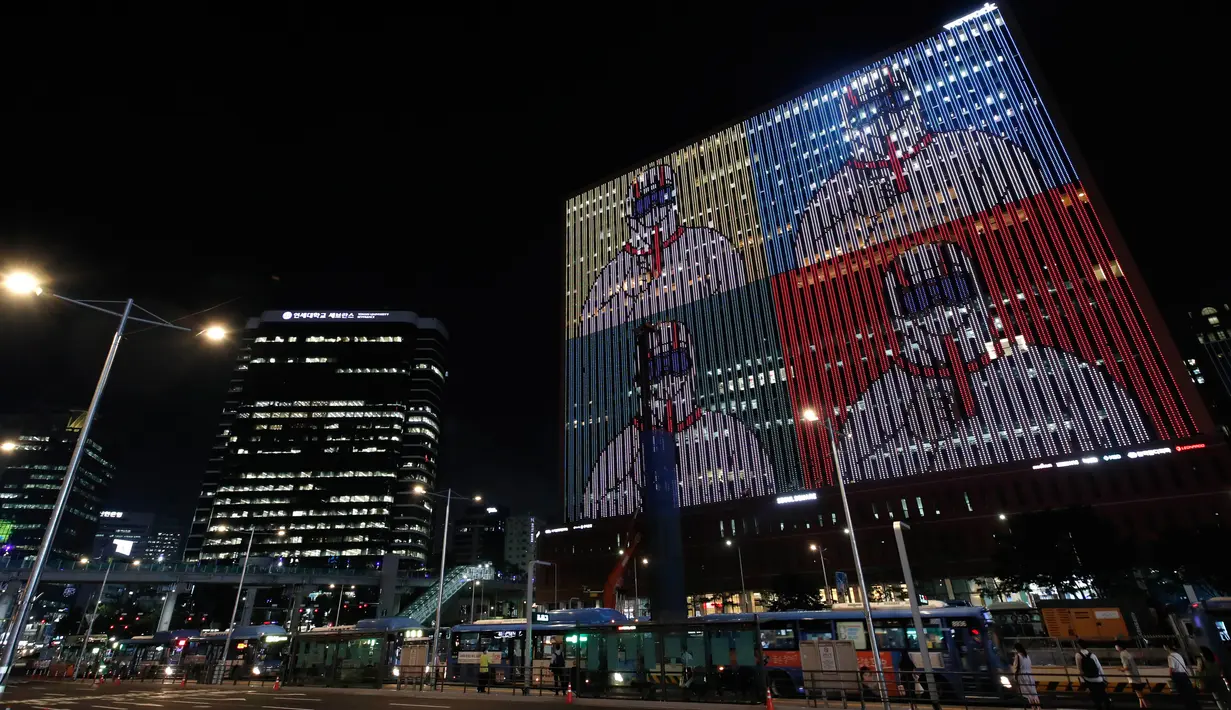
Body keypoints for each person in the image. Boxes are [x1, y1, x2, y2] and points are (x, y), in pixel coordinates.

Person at [837, 240, 1148, 483]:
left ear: (975, 290)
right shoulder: (881, 395)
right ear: (897, 312)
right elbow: (850, 470)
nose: (939, 307)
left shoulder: (1044, 362)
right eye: (917, 299)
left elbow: (1127, 432)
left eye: (952, 289)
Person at [584, 321, 777, 517]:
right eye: (655, 367)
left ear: (692, 365)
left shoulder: (732, 430)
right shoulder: (623, 446)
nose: (667, 376)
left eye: (676, 362)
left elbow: (767, 488)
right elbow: (592, 504)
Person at [578, 164, 748, 336]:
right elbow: (587, 324)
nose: (654, 207)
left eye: (661, 197)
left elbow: (739, 296)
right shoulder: (618, 266)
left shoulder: (708, 240)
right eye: (644, 203)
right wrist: (630, 299)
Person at [1075, 639, 1112, 710]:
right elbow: (1099, 667)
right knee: (1102, 693)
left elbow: (1080, 670)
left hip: (1088, 679)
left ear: (1078, 646)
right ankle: (1107, 702)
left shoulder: (1078, 655)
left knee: (1093, 694)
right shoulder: (1093, 655)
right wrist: (1104, 679)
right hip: (1098, 679)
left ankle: (1099, 705)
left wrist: (1083, 681)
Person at [1164, 642, 1200, 710]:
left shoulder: (1170, 656)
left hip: (1177, 675)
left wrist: (1170, 675)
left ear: (1168, 648)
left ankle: (1188, 706)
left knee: (1182, 693)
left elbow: (1171, 668)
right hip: (1184, 674)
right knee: (1188, 693)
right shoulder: (1178, 655)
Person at [1115, 642, 1148, 709]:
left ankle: (1146, 705)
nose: (1116, 648)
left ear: (1120, 647)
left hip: (1131, 676)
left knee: (1138, 692)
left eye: (1116, 646)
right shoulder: (1127, 652)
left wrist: (1120, 669)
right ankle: (1142, 705)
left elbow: (1127, 667)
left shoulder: (1122, 654)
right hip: (1135, 674)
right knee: (1139, 691)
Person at [1012, 643, 1039, 709]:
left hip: (1022, 676)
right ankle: (1038, 707)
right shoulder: (1027, 656)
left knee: (1028, 693)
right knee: (1033, 692)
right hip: (1030, 675)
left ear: (1016, 649)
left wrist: (1015, 676)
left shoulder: (1018, 656)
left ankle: (1033, 707)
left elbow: (1016, 666)